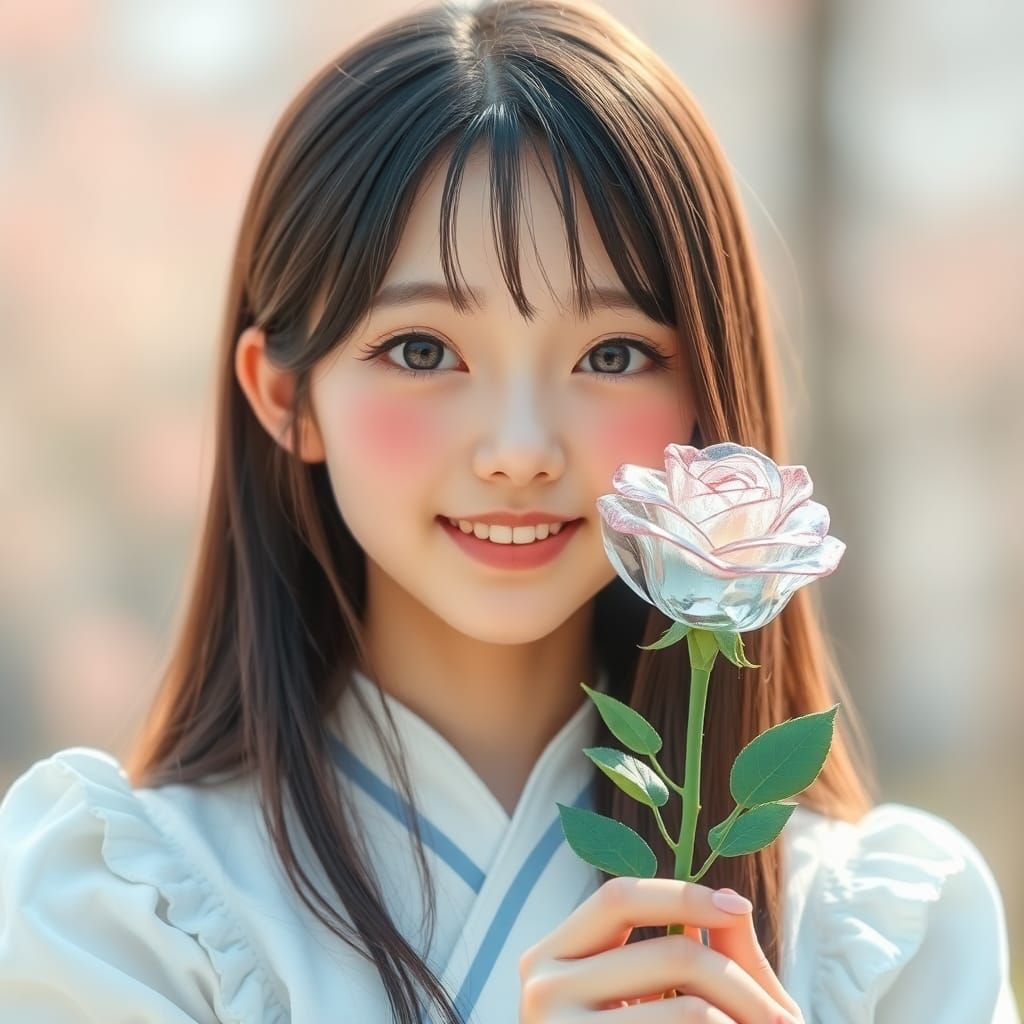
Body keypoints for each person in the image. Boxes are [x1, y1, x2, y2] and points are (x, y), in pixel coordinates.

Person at [0, 0, 1018, 1020]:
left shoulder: (873, 939)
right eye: (422, 351)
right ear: (284, 395)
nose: (521, 450)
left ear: (705, 397)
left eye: (611, 355)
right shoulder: (125, 910)